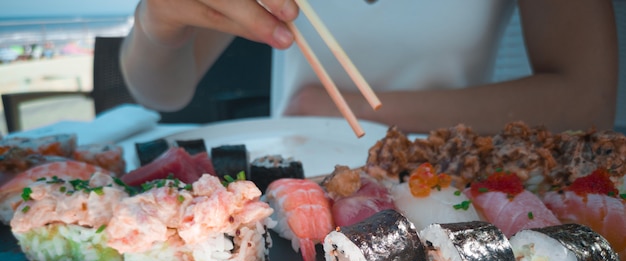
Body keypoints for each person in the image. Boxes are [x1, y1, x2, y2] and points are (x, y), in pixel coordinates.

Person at [120, 0, 618, 134]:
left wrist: (350, 108)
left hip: (455, 181)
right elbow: (163, 93)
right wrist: (156, 19)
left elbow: (586, 100)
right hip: (299, 179)